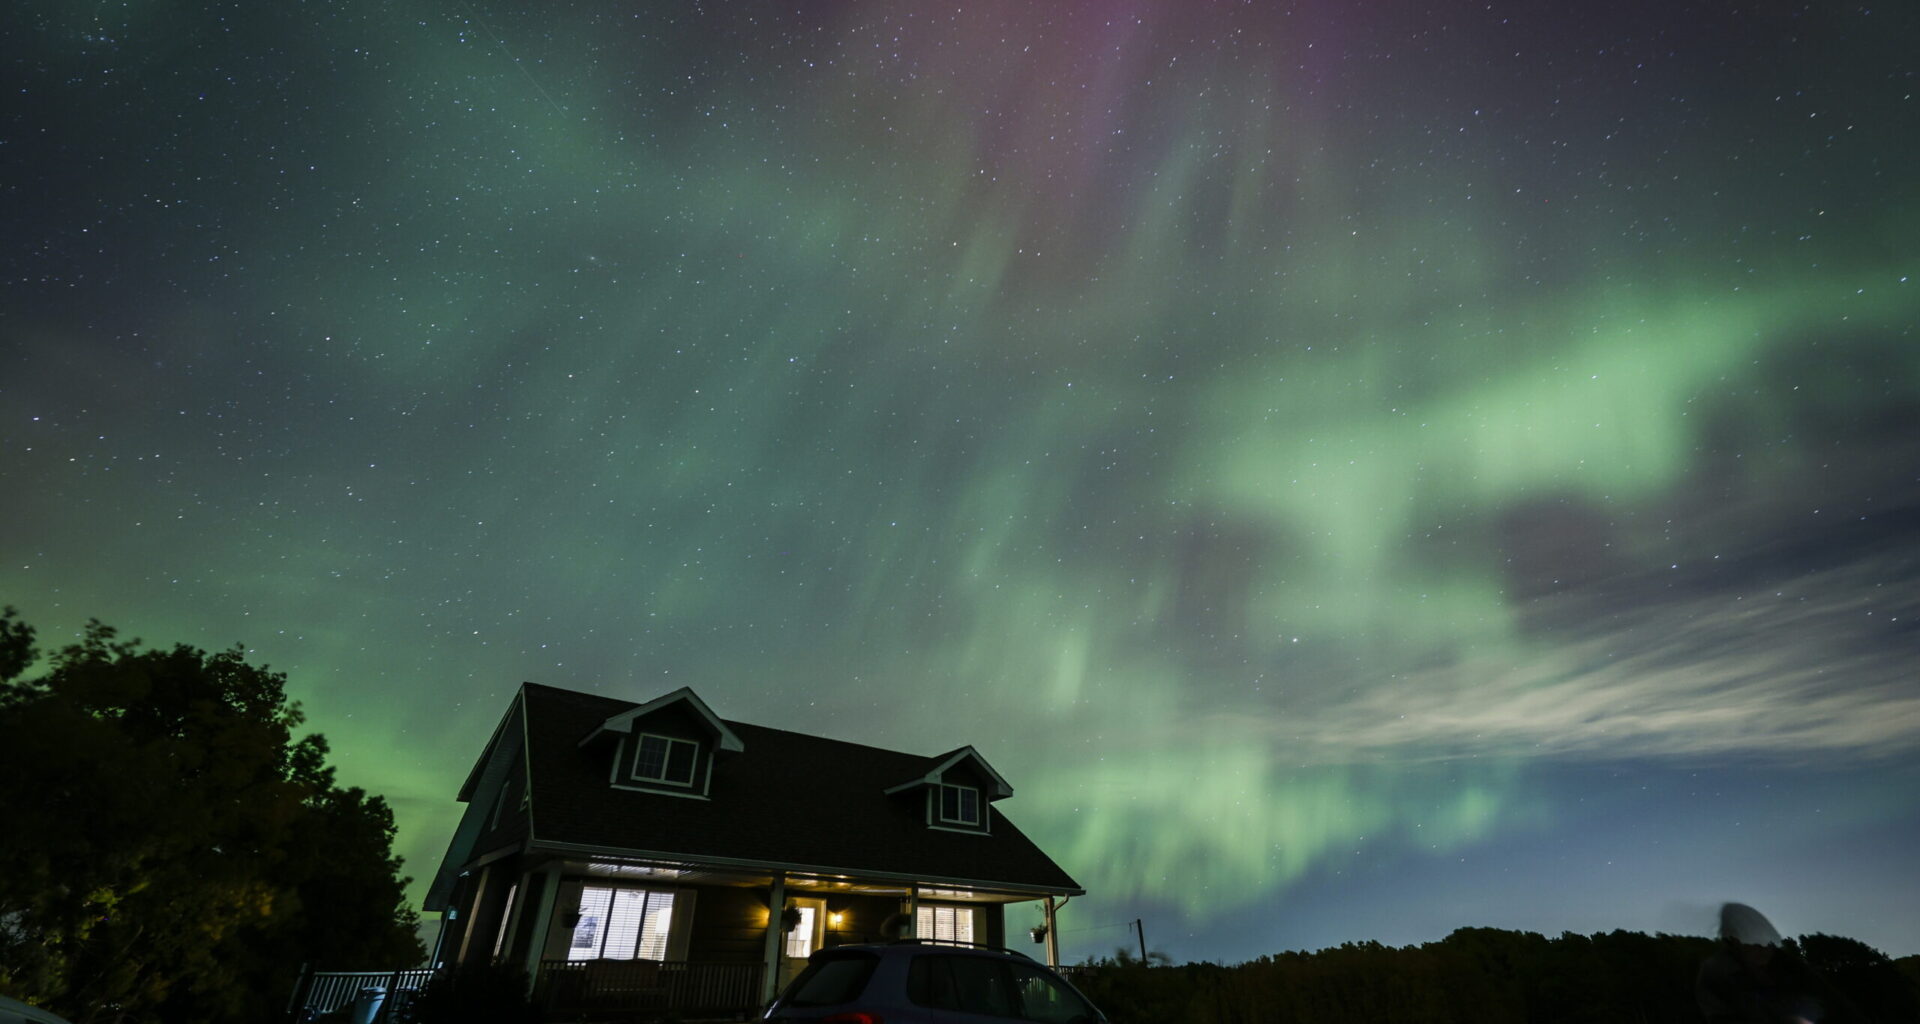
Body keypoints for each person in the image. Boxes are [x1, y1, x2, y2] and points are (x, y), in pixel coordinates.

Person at [1696, 903, 1832, 1023]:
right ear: (1734, 940)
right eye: (1751, 939)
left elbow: (1831, 1002)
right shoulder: (1716, 974)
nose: (1762, 947)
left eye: (1766, 939)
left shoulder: (1792, 967)